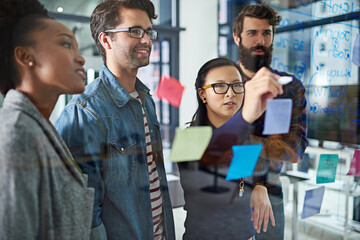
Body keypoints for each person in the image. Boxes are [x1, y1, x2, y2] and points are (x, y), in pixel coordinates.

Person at [54, 0, 175, 239]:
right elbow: (82, 216)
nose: (146, 40)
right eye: (135, 31)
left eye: (148, 31)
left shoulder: (145, 100)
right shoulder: (84, 113)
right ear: (105, 40)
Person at [0, 0, 94, 239]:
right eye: (65, 44)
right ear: (25, 56)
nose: (80, 58)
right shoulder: (16, 132)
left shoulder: (38, 125)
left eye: (76, 47)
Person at [179, 57, 284, 240]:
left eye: (237, 85)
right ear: (202, 94)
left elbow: (250, 175)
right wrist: (245, 118)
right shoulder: (188, 140)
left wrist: (260, 185)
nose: (230, 94)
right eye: (220, 86)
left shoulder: (247, 138)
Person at [232, 4, 308, 239]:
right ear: (237, 37)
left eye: (266, 33)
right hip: (230, 189)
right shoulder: (222, 85)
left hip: (272, 192)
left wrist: (242, 140)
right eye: (252, 33)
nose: (260, 40)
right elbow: (213, 145)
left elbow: (295, 150)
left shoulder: (289, 88)